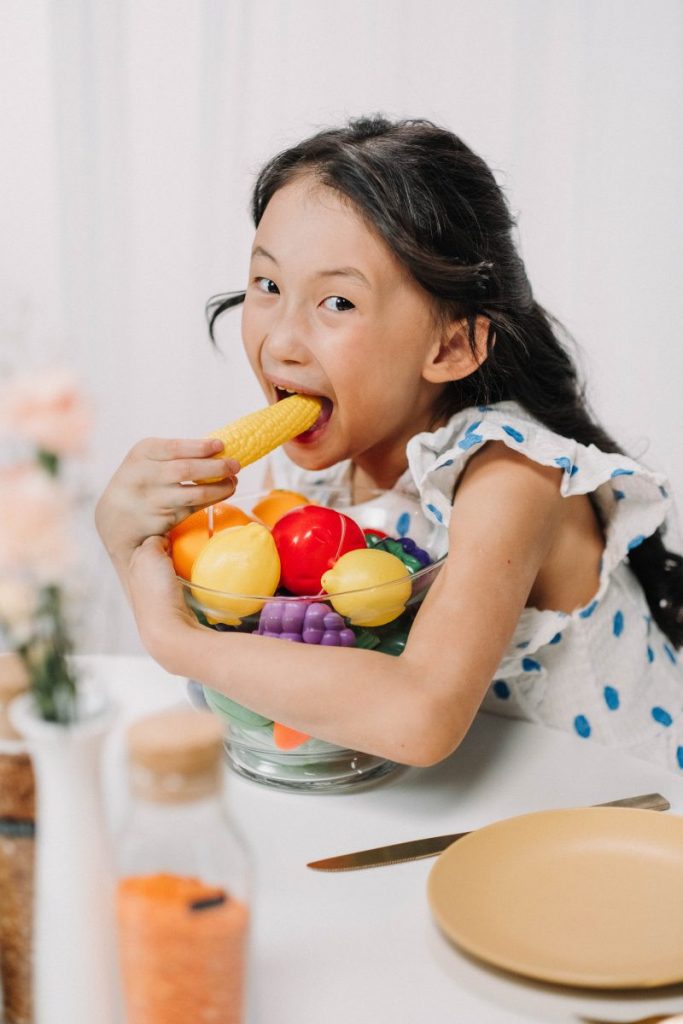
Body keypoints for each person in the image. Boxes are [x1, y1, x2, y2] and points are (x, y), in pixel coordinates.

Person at [96, 116, 683, 771]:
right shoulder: (305, 489)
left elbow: (418, 718)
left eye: (337, 303)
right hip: (476, 817)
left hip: (639, 815)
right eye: (268, 285)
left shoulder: (509, 476)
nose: (281, 340)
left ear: (451, 345)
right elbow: (267, 669)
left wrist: (170, 638)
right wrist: (132, 540)